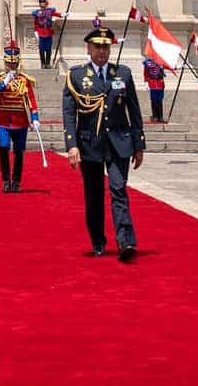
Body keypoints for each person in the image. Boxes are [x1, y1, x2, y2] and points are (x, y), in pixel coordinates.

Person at [62, 24, 146, 261]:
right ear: (89, 49)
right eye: (97, 47)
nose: (102, 51)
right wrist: (72, 145)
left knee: (119, 189)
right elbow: (69, 113)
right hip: (90, 143)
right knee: (94, 195)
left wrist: (139, 144)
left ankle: (126, 242)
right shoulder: (77, 76)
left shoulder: (123, 74)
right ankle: (98, 241)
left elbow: (134, 110)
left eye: (106, 47)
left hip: (119, 141)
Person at [0, 41, 41, 193]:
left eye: (14, 63)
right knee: (4, 147)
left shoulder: (25, 79)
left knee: (19, 151)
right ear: (5, 63)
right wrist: (6, 81)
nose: (12, 66)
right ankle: (6, 180)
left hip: (20, 120)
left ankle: (17, 181)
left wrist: (35, 118)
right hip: (4, 120)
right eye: (9, 63)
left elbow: (31, 100)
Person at [31, 0, 59, 69]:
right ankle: (43, 63)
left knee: (48, 48)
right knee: (42, 49)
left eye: (43, 2)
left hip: (48, 32)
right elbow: (36, 23)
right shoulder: (37, 13)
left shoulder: (50, 11)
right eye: (41, 2)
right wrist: (36, 31)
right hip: (41, 32)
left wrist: (63, 15)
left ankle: (48, 63)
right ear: (39, 4)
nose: (42, 3)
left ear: (46, 3)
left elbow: (56, 14)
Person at [141, 52, 167, 123]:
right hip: (152, 84)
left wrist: (180, 66)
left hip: (160, 84)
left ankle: (160, 117)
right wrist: (146, 83)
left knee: (160, 101)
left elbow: (169, 67)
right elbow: (146, 74)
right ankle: (155, 116)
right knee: (154, 100)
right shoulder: (148, 63)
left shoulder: (161, 62)